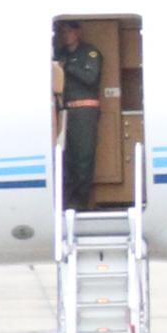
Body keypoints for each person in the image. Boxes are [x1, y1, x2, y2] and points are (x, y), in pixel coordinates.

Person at [54, 25, 105, 212]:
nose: (66, 35)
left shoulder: (90, 53)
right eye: (63, 32)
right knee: (67, 159)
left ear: (78, 33)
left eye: (69, 31)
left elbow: (90, 78)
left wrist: (68, 67)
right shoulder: (59, 54)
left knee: (83, 159)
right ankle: (67, 202)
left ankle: (81, 203)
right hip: (64, 112)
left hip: (85, 112)